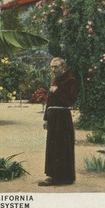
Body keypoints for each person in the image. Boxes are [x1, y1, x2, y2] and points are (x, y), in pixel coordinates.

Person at [39, 57, 79, 186]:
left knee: (63, 146)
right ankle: (53, 175)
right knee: (52, 146)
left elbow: (70, 100)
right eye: (51, 67)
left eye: (55, 67)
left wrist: (57, 92)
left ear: (63, 67)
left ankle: (64, 177)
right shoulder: (55, 80)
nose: (53, 69)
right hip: (53, 116)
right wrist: (46, 118)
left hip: (63, 117)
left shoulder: (70, 81)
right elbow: (49, 101)